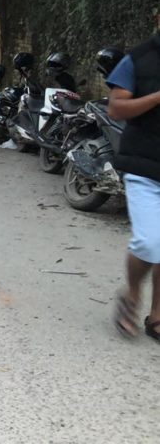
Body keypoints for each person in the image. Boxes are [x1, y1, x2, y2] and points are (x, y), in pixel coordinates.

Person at [107, 21, 160, 342]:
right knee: (150, 242)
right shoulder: (138, 59)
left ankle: (157, 315)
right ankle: (132, 292)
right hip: (145, 168)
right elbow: (116, 108)